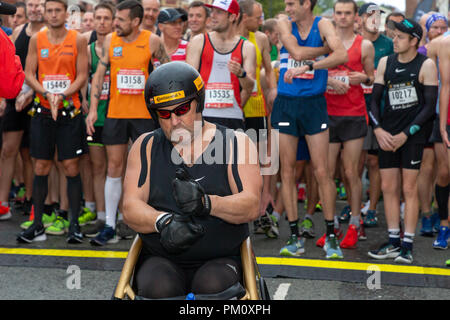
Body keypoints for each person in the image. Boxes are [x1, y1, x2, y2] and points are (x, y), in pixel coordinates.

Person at [122, 61, 261, 299]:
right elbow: (130, 207)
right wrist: (163, 221)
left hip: (220, 257)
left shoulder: (236, 142)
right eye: (164, 114)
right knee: (159, 287)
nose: (175, 120)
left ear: (199, 103)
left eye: (182, 109)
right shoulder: (145, 145)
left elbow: (251, 205)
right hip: (161, 257)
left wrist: (207, 203)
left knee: (212, 286)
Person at [85, 0, 169, 246]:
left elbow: (168, 71)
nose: (115, 23)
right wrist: (92, 111)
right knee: (114, 167)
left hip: (143, 115)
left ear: (135, 21)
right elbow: (99, 76)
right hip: (116, 112)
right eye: (116, 19)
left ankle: (137, 222)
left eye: (120, 19)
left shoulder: (152, 40)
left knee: (143, 169)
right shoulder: (111, 41)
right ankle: (110, 225)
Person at [273, 0, 348, 259]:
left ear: (307, 3)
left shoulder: (323, 23)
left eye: (292, 3)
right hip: (286, 104)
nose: (288, 7)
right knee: (288, 171)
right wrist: (325, 49)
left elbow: (343, 55)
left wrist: (313, 64)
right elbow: (294, 51)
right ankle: (294, 237)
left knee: (322, 170)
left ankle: (330, 237)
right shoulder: (284, 22)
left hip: (314, 104)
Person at [17, 0, 89, 244]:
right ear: (45, 13)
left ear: (66, 13)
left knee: (70, 166)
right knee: (41, 167)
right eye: (50, 10)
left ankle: (74, 225)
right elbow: (29, 73)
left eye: (58, 10)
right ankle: (38, 224)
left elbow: (82, 75)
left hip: (70, 112)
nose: (54, 14)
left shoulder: (78, 39)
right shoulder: (38, 39)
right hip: (43, 110)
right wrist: (46, 94)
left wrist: (64, 94)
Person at [368, 18, 438, 264]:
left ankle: (407, 244)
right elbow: (374, 101)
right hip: (387, 134)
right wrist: (378, 130)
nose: (394, 40)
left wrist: (406, 134)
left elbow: (429, 107)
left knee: (409, 188)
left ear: (413, 41)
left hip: (412, 135)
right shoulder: (386, 62)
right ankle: (394, 241)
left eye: (399, 37)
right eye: (393, 36)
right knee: (388, 187)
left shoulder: (426, 64)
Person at [321, 0, 375, 249]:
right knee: (328, 173)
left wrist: (362, 77)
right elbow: (315, 73)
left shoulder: (364, 45)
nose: (342, 17)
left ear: (356, 17)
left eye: (347, 13)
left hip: (353, 114)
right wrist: (330, 82)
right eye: (338, 13)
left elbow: (372, 79)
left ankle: (355, 222)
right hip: (327, 113)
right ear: (334, 15)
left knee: (351, 171)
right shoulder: (324, 44)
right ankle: (331, 227)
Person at [0, 0, 45, 222]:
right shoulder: (10, 35)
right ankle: (4, 202)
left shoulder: (48, 34)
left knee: (31, 154)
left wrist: (30, 92)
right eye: (31, 4)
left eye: (39, 4)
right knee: (10, 150)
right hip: (15, 98)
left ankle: (30, 198)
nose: (35, 8)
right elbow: (10, 84)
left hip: (37, 98)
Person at [186, 0, 256, 131]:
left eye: (219, 12)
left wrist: (242, 74)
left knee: (230, 152)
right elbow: (189, 82)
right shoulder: (199, 42)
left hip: (232, 116)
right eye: (212, 11)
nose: (212, 15)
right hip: (203, 115)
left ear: (232, 17)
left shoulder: (246, 47)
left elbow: (250, 87)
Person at [356, 2, 393, 227]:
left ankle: (371, 208)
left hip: (380, 108)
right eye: (370, 14)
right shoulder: (351, 42)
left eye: (378, 15)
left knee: (373, 162)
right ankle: (355, 205)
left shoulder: (389, 44)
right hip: (354, 108)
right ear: (360, 18)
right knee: (352, 164)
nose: (375, 18)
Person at [80, 1, 115, 238]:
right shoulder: (88, 48)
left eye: (106, 18)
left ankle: (120, 218)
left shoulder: (119, 47)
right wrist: (84, 101)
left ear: (113, 21)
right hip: (95, 115)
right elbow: (83, 79)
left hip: (116, 115)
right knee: (97, 167)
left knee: (117, 168)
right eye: (98, 18)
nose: (102, 22)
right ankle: (101, 216)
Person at [416, 13, 448, 237]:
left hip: (441, 113)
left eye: (442, 27)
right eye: (434, 27)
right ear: (426, 29)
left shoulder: (444, 46)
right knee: (426, 167)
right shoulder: (423, 50)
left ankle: (439, 210)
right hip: (426, 113)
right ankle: (426, 214)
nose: (438, 30)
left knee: (442, 169)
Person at [437, 30, 450, 251]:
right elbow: (445, 85)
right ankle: (444, 224)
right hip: (449, 119)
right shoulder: (446, 45)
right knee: (445, 174)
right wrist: (441, 124)